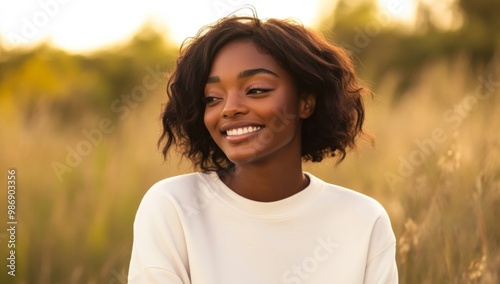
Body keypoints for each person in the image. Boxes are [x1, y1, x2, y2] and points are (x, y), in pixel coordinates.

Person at [128, 12, 398, 284]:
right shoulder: (174, 207)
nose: (230, 108)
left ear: (306, 102)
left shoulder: (363, 221)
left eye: (256, 90)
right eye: (212, 98)